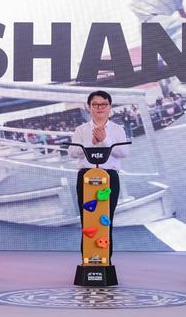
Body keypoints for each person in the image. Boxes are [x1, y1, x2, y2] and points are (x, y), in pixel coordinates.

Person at [68, 91, 129, 260]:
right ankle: (87, 261)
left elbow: (123, 152)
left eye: (104, 104)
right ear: (89, 107)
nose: (99, 108)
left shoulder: (117, 129)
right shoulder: (81, 130)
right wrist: (91, 142)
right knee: (87, 220)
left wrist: (105, 140)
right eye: (95, 104)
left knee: (106, 219)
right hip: (86, 178)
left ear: (110, 107)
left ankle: (105, 260)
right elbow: (72, 153)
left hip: (109, 177)